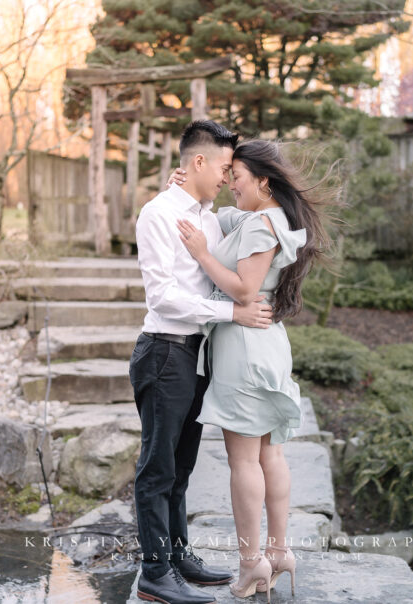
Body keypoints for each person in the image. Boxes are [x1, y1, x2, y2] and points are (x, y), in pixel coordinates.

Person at [173, 139, 330, 601]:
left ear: (264, 180)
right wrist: (188, 190)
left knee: (245, 460)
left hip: (244, 346)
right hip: (265, 344)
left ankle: (250, 564)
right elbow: (222, 217)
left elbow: (244, 290)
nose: (230, 185)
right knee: (269, 455)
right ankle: (278, 553)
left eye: (236, 177)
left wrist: (202, 253)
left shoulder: (262, 225)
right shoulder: (266, 217)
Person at [131, 120, 274, 604]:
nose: (227, 177)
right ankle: (154, 573)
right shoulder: (158, 214)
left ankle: (177, 557)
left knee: (182, 466)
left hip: (194, 355)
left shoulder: (208, 217)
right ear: (197, 162)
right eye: (223, 167)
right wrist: (231, 311)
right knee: (157, 468)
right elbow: (165, 298)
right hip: (165, 350)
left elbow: (262, 216)